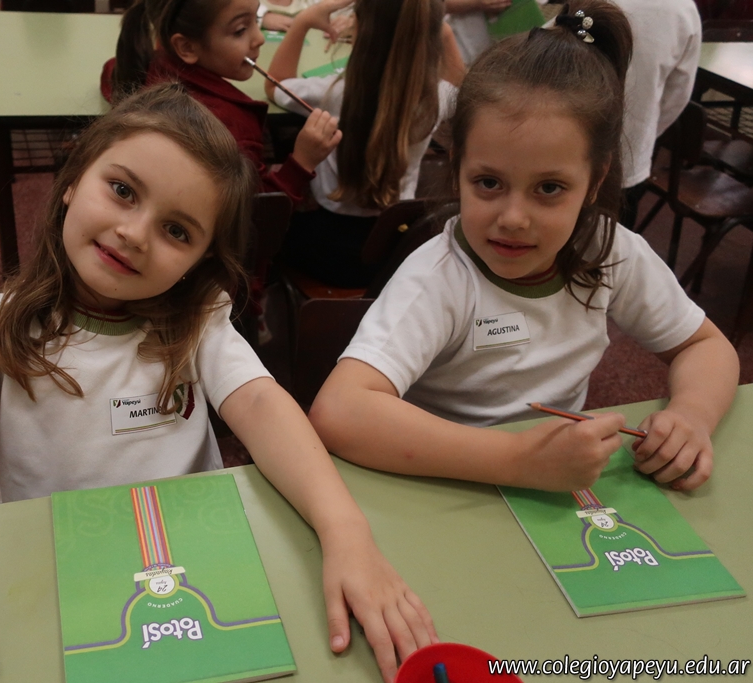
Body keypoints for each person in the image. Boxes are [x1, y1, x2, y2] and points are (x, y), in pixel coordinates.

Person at [0, 85, 436, 683]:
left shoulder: (200, 319)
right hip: (44, 568)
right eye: (122, 191)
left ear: (200, 260)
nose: (135, 233)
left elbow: (261, 404)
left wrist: (345, 532)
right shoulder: (0, 325)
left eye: (177, 230)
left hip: (186, 561)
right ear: (72, 181)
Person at [309, 0, 739, 494]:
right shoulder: (439, 276)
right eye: (488, 183)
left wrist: (692, 414)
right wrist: (516, 461)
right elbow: (340, 411)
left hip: (551, 484)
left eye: (549, 188)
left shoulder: (610, 251)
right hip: (445, 484)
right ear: (458, 169)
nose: (513, 218)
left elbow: (705, 346)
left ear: (594, 181)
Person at [264, 0, 464, 288]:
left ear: (359, 28)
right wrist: (440, 29)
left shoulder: (332, 93)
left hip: (323, 247)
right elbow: (461, 92)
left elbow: (274, 84)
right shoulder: (436, 98)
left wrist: (303, 21)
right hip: (390, 248)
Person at [99, 0, 342, 207]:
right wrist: (302, 162)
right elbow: (254, 217)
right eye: (240, 30)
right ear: (186, 47)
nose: (259, 38)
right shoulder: (232, 129)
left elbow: (112, 69)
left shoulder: (148, 64)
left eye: (255, 21)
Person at [612, 0, 701, 229]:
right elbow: (677, 97)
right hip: (630, 154)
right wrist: (648, 132)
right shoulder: (683, 10)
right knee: (615, 241)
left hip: (565, 146)